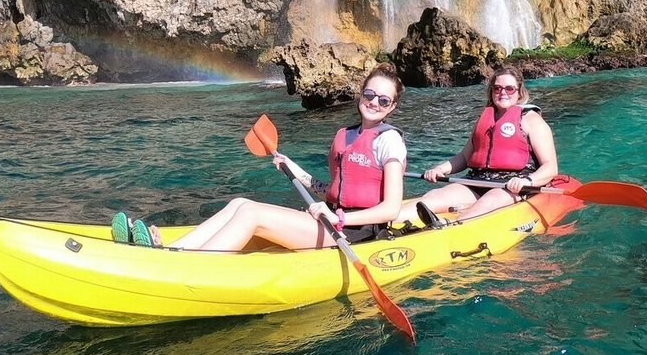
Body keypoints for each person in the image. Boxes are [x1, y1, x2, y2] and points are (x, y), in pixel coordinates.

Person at [165, 64, 407, 251]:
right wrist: (290, 166)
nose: (374, 102)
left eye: (383, 100)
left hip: (357, 232)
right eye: (369, 94)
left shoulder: (389, 141)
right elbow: (329, 191)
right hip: (331, 219)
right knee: (240, 203)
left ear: (392, 106)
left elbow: (391, 209)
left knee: (252, 214)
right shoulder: (347, 135)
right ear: (361, 94)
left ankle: (193, 268)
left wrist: (340, 217)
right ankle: (173, 250)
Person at [408, 64, 556, 226]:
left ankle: (448, 227)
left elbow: (550, 167)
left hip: (512, 185)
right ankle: (387, 223)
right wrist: (439, 169)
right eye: (497, 88)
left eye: (509, 88)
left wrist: (528, 180)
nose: (503, 93)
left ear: (519, 92)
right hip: (478, 180)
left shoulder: (532, 120)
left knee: (488, 202)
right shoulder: (485, 119)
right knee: (433, 197)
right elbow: (465, 157)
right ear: (491, 91)